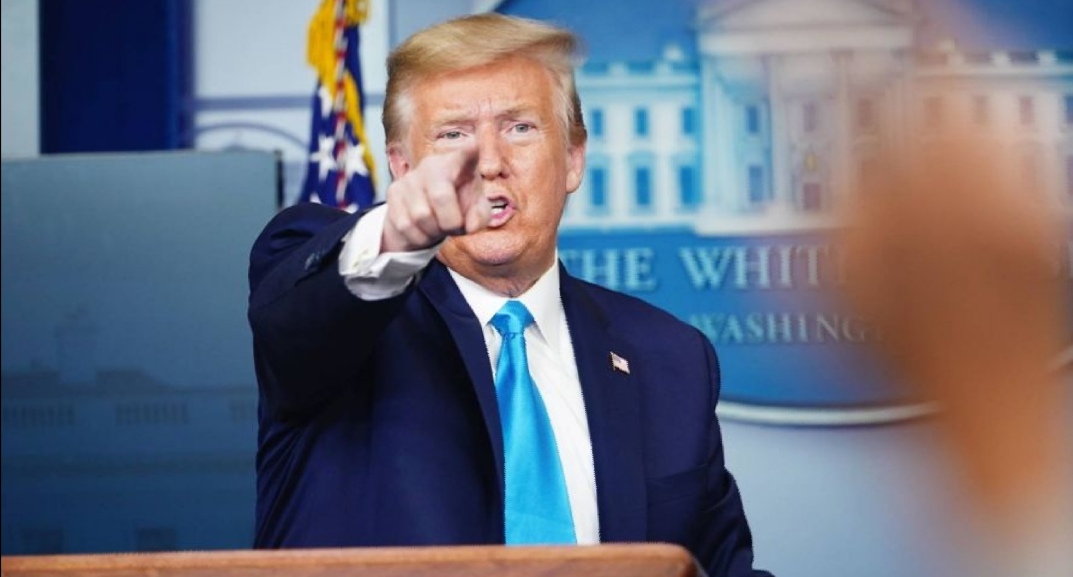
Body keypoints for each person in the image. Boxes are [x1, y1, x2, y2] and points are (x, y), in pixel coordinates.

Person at [247, 13, 772, 577]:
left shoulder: (670, 358)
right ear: (402, 167)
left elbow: (718, 566)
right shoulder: (343, 314)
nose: (490, 163)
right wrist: (399, 232)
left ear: (573, 158)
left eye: (519, 127)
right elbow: (303, 317)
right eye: (453, 135)